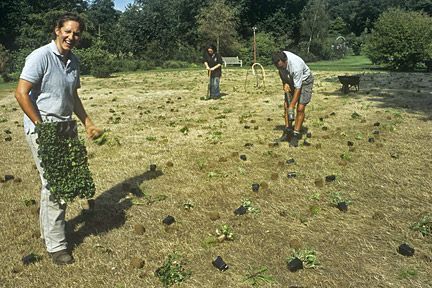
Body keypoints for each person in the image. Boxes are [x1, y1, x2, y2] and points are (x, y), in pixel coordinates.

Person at [15, 12, 102, 265]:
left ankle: (48, 233)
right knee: (57, 184)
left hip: (66, 127)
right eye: (67, 31)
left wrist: (87, 123)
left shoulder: (73, 61)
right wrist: (41, 127)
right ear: (57, 30)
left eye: (76, 33)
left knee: (55, 183)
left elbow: (72, 97)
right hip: (43, 127)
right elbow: (21, 93)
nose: (71, 37)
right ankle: (57, 245)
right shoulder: (40, 57)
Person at [272, 51, 314, 147]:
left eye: (281, 66)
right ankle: (287, 132)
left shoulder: (296, 66)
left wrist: (292, 105)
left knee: (300, 108)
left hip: (305, 81)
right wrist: (284, 83)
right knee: (286, 106)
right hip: (291, 79)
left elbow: (298, 88)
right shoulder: (279, 62)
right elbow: (281, 72)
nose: (279, 68)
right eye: (278, 67)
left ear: (286, 61)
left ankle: (296, 135)